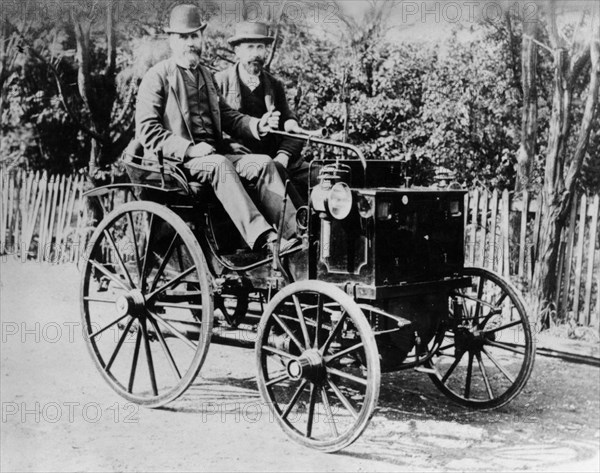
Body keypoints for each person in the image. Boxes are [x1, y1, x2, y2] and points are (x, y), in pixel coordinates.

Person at [135, 5, 298, 253]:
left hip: (212, 157)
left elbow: (228, 116)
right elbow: (148, 131)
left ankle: (296, 235)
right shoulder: (157, 77)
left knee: (264, 163)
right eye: (184, 37)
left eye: (195, 36)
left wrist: (256, 125)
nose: (191, 42)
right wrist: (190, 149)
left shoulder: (206, 76)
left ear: (202, 37)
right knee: (220, 165)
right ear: (172, 40)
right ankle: (264, 237)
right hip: (176, 164)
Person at [215, 22, 309, 206]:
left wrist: (284, 154)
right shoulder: (219, 83)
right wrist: (229, 146)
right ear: (237, 51)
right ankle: (301, 226)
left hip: (277, 159)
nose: (255, 53)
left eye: (260, 47)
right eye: (249, 47)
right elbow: (212, 128)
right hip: (240, 163)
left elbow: (289, 122)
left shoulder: (274, 85)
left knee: (329, 178)